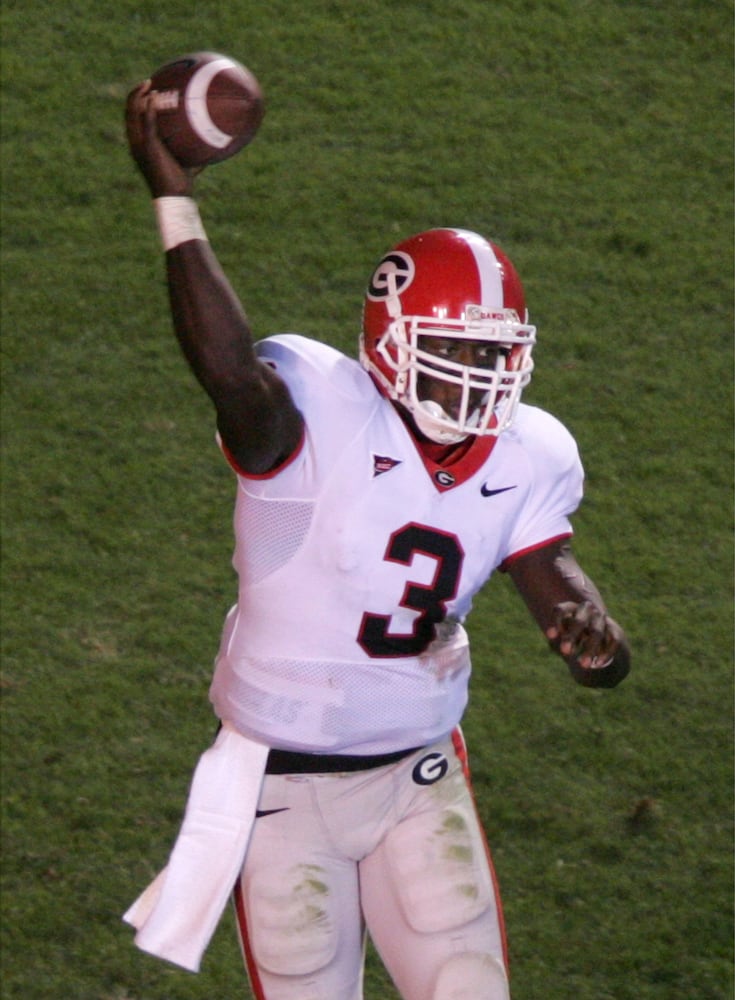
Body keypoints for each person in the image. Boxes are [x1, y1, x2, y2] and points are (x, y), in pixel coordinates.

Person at [123, 80, 631, 1000]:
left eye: (493, 351)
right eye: (456, 348)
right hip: (279, 786)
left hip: (418, 773)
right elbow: (230, 374)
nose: (478, 373)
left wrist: (594, 640)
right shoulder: (315, 417)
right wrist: (175, 202)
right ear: (392, 338)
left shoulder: (529, 452)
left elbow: (557, 581)